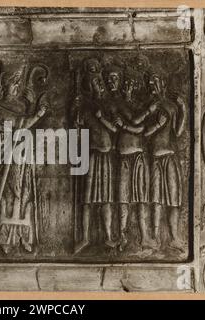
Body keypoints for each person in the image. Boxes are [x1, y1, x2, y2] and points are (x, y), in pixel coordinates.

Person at [0, 64, 49, 254]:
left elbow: (23, 127)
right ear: (5, 85)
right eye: (13, 83)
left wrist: (33, 109)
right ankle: (5, 237)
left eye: (18, 83)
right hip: (6, 155)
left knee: (25, 194)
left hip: (22, 155)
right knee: (11, 194)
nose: (16, 87)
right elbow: (20, 125)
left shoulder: (19, 105)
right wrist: (38, 115)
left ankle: (23, 236)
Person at [73, 58, 117, 253]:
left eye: (100, 80)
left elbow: (116, 128)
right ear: (88, 85)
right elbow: (76, 126)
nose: (98, 83)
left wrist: (102, 118)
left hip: (106, 153)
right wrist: (76, 113)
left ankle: (108, 237)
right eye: (94, 81)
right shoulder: (84, 104)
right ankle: (84, 238)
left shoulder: (109, 103)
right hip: (89, 153)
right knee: (87, 199)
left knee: (106, 198)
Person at [113, 67, 158, 251]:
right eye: (126, 84)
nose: (127, 87)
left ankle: (144, 236)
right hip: (124, 155)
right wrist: (146, 113)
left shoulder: (139, 104)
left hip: (138, 155)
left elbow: (141, 129)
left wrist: (129, 126)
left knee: (141, 198)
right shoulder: (118, 104)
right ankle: (122, 235)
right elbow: (135, 121)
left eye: (131, 84)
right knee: (123, 198)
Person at [145, 68, 186, 251]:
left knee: (174, 198)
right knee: (156, 199)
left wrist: (183, 109)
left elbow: (177, 132)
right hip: (154, 157)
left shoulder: (171, 106)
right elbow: (144, 133)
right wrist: (157, 125)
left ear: (162, 83)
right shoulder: (149, 107)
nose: (151, 85)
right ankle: (154, 237)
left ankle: (174, 237)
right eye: (149, 82)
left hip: (169, 155)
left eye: (155, 80)